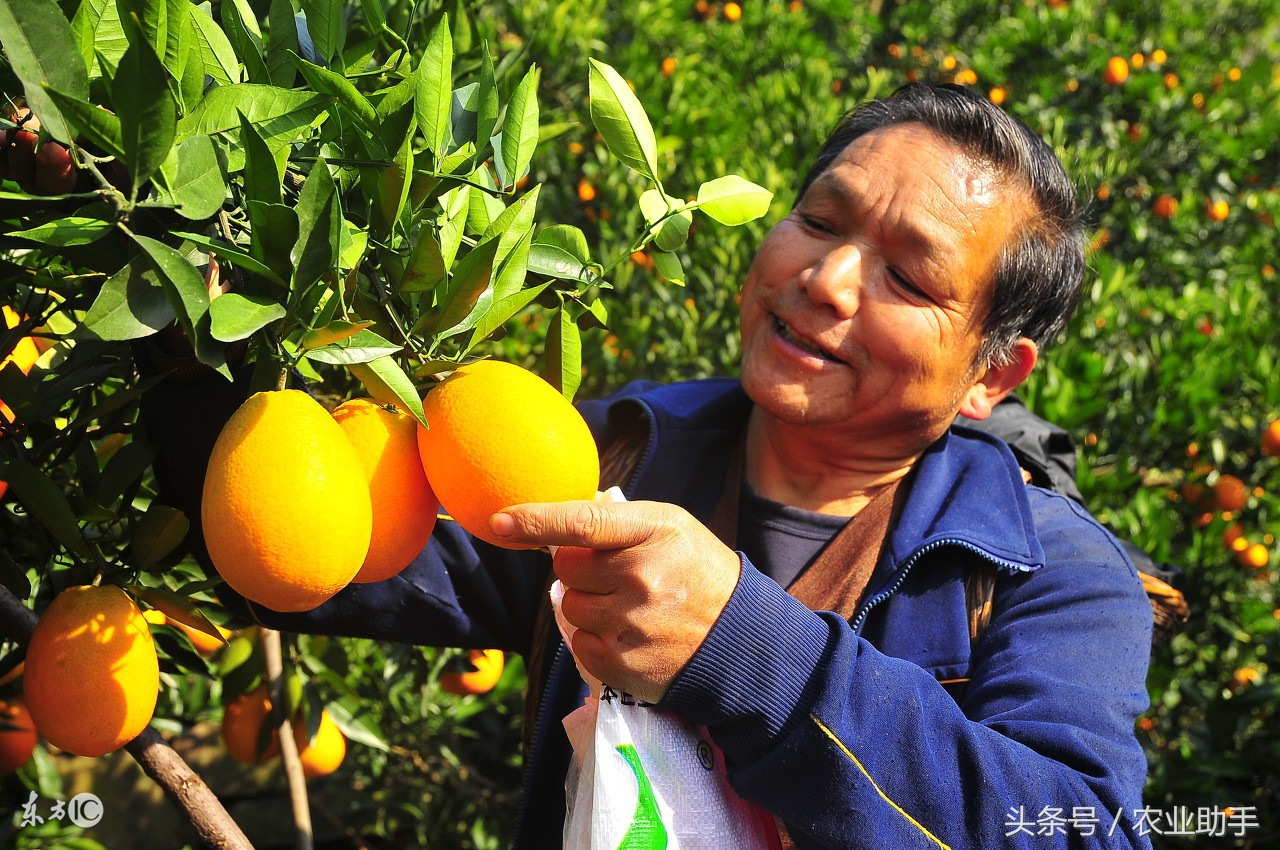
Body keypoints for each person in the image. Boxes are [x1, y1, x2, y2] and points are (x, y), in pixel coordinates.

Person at [141, 82, 1154, 848]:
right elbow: (310, 556)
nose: (826, 279)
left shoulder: (1046, 571)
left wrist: (745, 649)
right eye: (820, 219)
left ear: (991, 372)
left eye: (906, 274)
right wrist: (180, 304)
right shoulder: (617, 456)